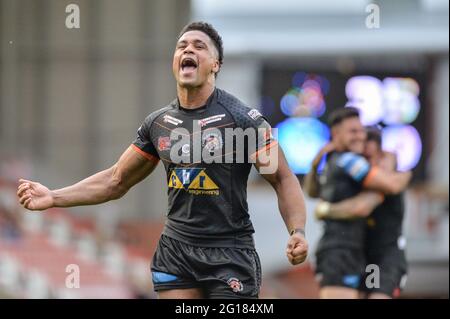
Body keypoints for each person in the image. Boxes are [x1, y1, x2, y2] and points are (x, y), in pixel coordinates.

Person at [16, 21, 308, 299]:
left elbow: (282, 178)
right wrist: (54, 196)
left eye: (199, 46)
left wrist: (297, 231)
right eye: (182, 46)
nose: (188, 50)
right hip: (176, 252)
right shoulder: (159, 124)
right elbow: (116, 180)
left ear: (216, 65)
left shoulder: (243, 120)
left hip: (228, 254)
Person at [304, 107, 411, 299]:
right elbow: (315, 192)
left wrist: (325, 210)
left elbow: (363, 206)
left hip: (384, 258)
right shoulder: (350, 165)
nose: (369, 163)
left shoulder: (382, 177)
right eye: (365, 158)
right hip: (351, 252)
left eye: (371, 157)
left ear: (382, 153)